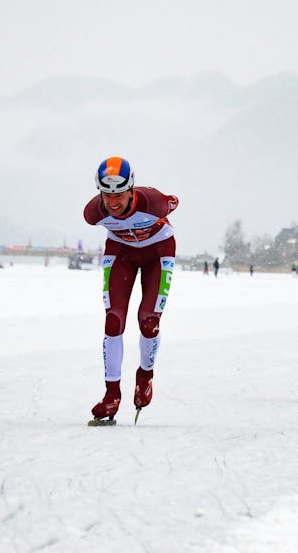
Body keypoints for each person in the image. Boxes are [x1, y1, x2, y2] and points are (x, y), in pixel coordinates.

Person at [83, 156, 179, 425]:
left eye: (120, 195)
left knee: (149, 322)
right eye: (106, 194)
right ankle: (111, 394)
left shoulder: (154, 203)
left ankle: (145, 377)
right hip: (121, 254)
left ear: (132, 190)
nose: (112, 203)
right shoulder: (93, 213)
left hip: (158, 253)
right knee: (113, 320)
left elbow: (175, 201)